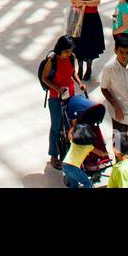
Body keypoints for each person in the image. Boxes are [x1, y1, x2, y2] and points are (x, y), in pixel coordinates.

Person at [99, 35, 128, 165]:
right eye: (121, 52)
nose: (124, 56)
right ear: (115, 51)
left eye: (127, 52)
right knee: (119, 145)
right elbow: (104, 88)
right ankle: (119, 167)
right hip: (119, 116)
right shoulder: (109, 69)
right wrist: (115, 105)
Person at [41, 35, 85, 168]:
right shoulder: (52, 60)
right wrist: (57, 88)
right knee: (56, 126)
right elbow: (45, 78)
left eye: (70, 51)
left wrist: (79, 82)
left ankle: (66, 152)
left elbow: (73, 73)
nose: (69, 53)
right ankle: (54, 156)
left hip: (70, 96)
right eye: (66, 51)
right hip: (55, 98)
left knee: (69, 125)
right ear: (60, 49)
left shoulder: (71, 57)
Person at [70, 0, 105, 82]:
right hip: (79, 17)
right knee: (78, 44)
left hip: (92, 17)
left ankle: (89, 69)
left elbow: (98, 0)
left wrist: (84, 3)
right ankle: (79, 68)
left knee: (90, 44)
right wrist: (88, 2)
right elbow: (73, 0)